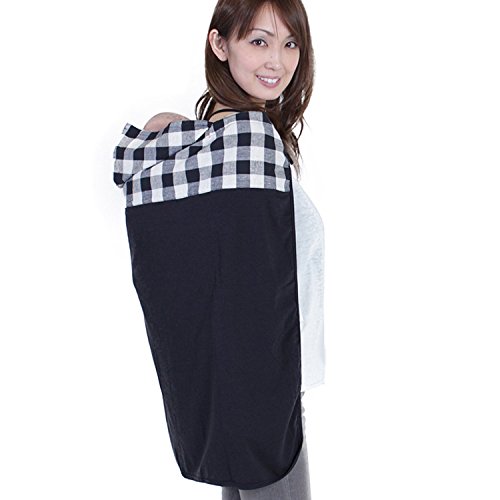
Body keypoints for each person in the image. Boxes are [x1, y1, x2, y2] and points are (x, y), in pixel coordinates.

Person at [112, 1, 324, 498]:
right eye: (259, 41)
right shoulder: (250, 142)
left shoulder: (233, 145)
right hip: (264, 388)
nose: (277, 60)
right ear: (219, 44)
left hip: (261, 385)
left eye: (290, 43)